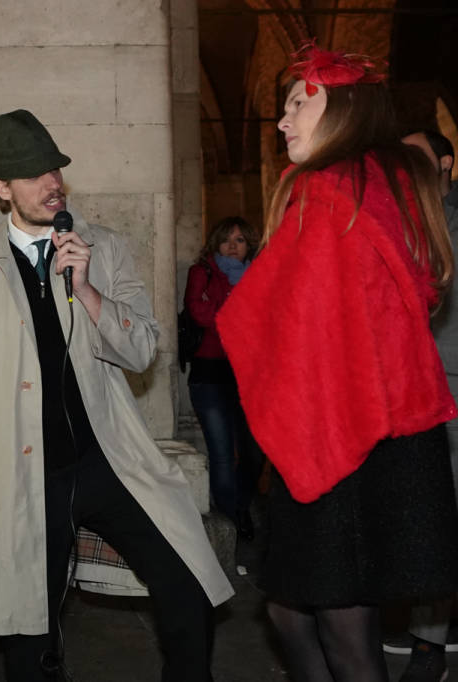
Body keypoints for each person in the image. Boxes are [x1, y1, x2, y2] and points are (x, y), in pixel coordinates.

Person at [0, 108, 233, 682]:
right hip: (21, 473)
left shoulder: (102, 248)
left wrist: (88, 291)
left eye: (55, 170)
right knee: (30, 634)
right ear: (1, 188)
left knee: (187, 583)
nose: (52, 184)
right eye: (33, 174)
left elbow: (144, 349)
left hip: (107, 461)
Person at [217, 44, 458, 682]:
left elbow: (283, 322)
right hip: (392, 434)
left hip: (339, 435)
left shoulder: (329, 192)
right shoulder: (389, 185)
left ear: (341, 105)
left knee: (341, 631)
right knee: (299, 614)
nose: (283, 121)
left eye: (300, 102)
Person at [383, 129, 458, 680]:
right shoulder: (397, 223)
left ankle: (431, 644)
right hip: (409, 392)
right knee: (431, 515)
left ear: (447, 164)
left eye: (417, 159)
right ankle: (427, 634)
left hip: (451, 385)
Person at [183, 216, 264, 540]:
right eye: (227, 239)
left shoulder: (259, 275)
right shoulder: (201, 272)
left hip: (250, 376)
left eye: (241, 240)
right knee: (221, 454)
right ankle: (232, 521)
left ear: (250, 246)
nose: (233, 246)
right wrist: (237, 308)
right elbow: (199, 313)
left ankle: (241, 504)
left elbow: (267, 317)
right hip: (210, 374)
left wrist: (225, 309)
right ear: (215, 243)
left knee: (255, 453)